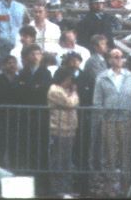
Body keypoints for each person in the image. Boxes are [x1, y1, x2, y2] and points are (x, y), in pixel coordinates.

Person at [93, 47, 131, 196]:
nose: (118, 59)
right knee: (109, 152)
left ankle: (125, 185)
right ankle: (110, 185)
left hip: (126, 120)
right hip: (109, 120)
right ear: (109, 59)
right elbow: (97, 100)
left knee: (126, 152)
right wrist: (102, 116)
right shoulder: (102, 77)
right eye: (114, 57)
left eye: (120, 56)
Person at [47, 65, 79, 198]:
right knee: (58, 160)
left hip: (69, 130)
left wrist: (72, 94)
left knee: (67, 161)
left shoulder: (66, 90)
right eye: (69, 79)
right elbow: (70, 103)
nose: (70, 82)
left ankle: (66, 188)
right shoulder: (55, 90)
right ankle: (57, 188)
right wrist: (74, 93)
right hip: (58, 130)